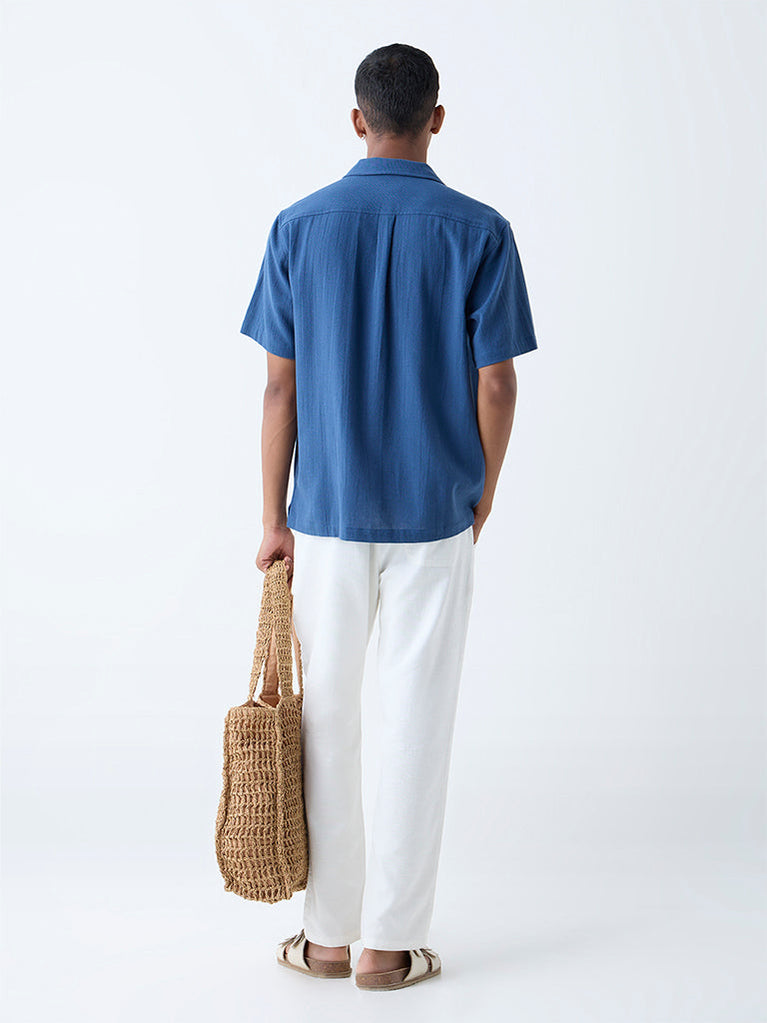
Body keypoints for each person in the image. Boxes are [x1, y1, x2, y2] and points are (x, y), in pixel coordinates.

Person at [240, 42, 538, 991]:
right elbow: (497, 383)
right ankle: (388, 946)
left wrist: (272, 517)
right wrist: (483, 491)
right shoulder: (481, 230)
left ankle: (325, 938)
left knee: (324, 720)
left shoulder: (298, 226)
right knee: (416, 720)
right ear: (436, 119)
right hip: (433, 513)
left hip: (324, 515)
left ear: (356, 119)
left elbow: (278, 388)